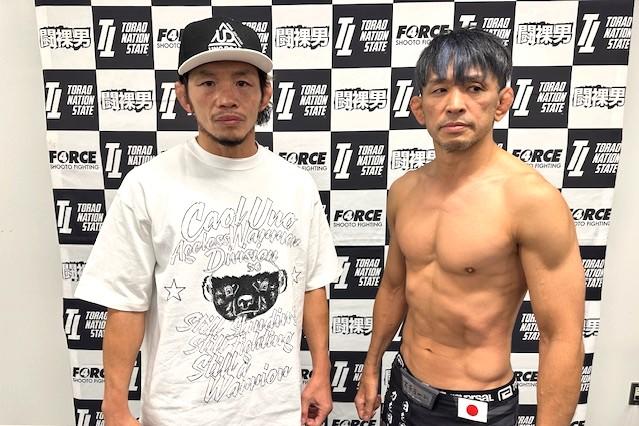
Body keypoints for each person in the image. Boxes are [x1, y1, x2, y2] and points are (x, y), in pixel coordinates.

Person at [75, 16, 338, 426]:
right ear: (183, 95)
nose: (227, 98)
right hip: (179, 414)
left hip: (276, 411)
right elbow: (125, 303)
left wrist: (321, 372)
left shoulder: (297, 186)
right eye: (208, 82)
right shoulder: (147, 185)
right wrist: (114, 405)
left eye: (243, 82)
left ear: (266, 94)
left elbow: (312, 285)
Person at [354, 28, 585, 426]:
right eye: (440, 90)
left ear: (502, 102)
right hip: (403, 387)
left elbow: (561, 336)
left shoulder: (531, 201)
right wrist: (372, 365)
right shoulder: (404, 192)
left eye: (474, 88)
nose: (455, 104)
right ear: (419, 108)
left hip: (476, 408)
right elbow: (394, 286)